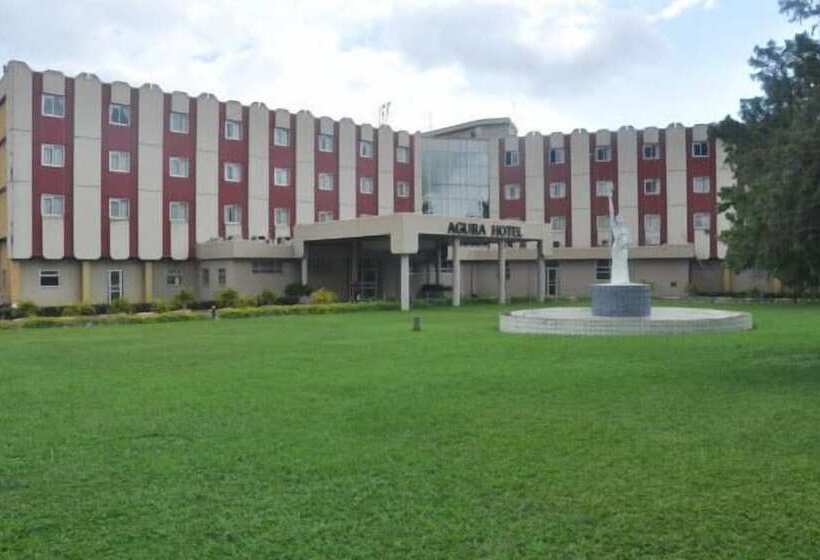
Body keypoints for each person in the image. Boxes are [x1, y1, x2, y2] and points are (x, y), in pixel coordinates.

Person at [608, 193, 631, 284]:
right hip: (617, 248)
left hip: (623, 249)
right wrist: (610, 199)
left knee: (624, 266)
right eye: (618, 217)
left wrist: (626, 244)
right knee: (616, 265)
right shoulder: (615, 227)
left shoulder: (626, 229)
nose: (619, 218)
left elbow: (629, 241)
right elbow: (611, 213)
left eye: (621, 217)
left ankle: (624, 280)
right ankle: (616, 280)